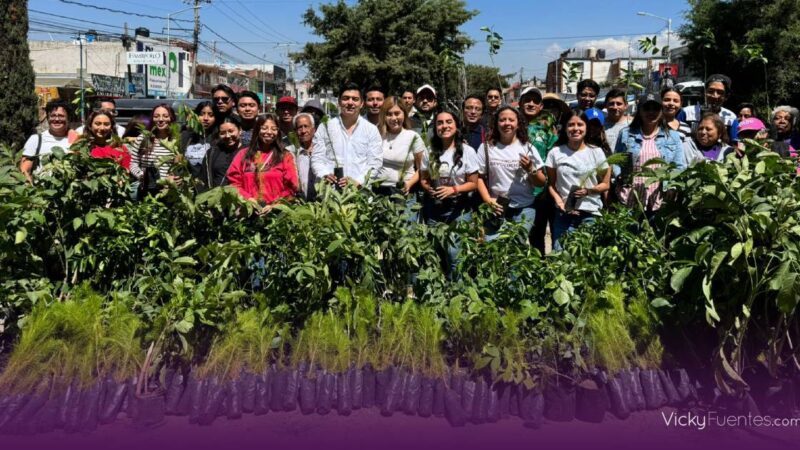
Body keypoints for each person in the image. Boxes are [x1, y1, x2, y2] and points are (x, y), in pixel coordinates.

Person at [419, 110, 480, 278]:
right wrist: (428, 188)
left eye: (448, 122)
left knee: (455, 254)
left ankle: (457, 293)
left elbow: (473, 183)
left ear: (456, 126)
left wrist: (453, 190)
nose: (444, 126)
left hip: (458, 208)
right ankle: (438, 294)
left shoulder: (467, 151)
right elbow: (424, 179)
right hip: (435, 207)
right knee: (434, 252)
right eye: (440, 123)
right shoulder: (429, 152)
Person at [476, 106, 546, 241]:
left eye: (511, 120)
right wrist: (487, 200)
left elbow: (541, 182)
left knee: (514, 248)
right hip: (497, 207)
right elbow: (479, 177)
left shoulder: (527, 147)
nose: (507, 123)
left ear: (518, 124)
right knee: (492, 247)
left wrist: (530, 168)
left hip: (524, 208)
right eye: (502, 120)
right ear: (496, 123)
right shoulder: (486, 147)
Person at [546, 110, 611, 250]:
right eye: (571, 125)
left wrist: (588, 191)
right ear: (565, 128)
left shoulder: (596, 152)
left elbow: (605, 184)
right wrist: (558, 201)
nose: (576, 128)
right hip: (564, 214)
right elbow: (551, 184)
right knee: (561, 257)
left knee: (587, 260)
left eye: (580, 124)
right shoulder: (555, 153)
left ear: (586, 128)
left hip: (590, 214)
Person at [615, 94, 687, 218]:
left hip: (659, 196)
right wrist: (619, 176)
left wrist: (672, 186)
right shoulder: (626, 134)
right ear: (640, 111)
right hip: (630, 195)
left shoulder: (673, 137)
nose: (651, 112)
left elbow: (679, 166)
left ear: (661, 111)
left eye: (655, 109)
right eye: (647, 108)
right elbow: (616, 161)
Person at [311, 82, 382, 188]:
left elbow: (375, 163)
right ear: (339, 102)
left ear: (362, 103)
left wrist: (358, 181)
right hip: (331, 193)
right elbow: (317, 158)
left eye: (355, 99)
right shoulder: (325, 127)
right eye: (346, 98)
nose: (350, 102)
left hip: (360, 194)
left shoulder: (371, 130)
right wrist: (324, 174)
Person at [227, 113, 298, 210]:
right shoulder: (243, 155)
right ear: (257, 130)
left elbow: (291, 186)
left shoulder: (285, 156)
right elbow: (234, 183)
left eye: (274, 129)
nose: (269, 132)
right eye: (264, 128)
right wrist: (248, 199)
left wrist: (274, 205)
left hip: (277, 213)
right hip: (248, 210)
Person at [520, 86, 558, 254]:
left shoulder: (548, 128)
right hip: (517, 188)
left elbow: (554, 157)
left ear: (541, 106)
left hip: (540, 189)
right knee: (517, 234)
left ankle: (538, 269)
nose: (531, 104)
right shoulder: (513, 124)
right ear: (520, 103)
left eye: (535, 101)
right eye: (527, 100)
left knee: (538, 234)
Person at [376, 96, 426, 197]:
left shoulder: (413, 137)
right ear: (384, 116)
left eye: (397, 113)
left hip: (403, 192)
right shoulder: (377, 135)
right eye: (389, 114)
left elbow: (422, 168)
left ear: (404, 114)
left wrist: (409, 183)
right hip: (379, 192)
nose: (394, 118)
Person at [20, 99, 78, 182]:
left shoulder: (76, 139)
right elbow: (24, 170)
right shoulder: (36, 139)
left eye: (61, 116)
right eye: (53, 115)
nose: (57, 119)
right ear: (47, 117)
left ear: (68, 118)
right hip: (42, 192)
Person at [129, 104, 179, 199]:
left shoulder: (177, 140)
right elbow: (133, 163)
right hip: (147, 190)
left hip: (169, 191)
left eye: (165, 116)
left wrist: (174, 178)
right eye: (156, 116)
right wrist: (141, 175)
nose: (160, 119)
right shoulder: (143, 138)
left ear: (172, 118)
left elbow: (181, 166)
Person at [678, 74, 737, 141]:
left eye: (720, 92)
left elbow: (735, 144)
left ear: (726, 96)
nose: (715, 96)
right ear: (704, 93)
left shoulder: (731, 118)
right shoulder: (687, 113)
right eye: (711, 91)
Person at [200, 115, 242, 191]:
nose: (227, 136)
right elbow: (203, 177)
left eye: (231, 131)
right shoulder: (212, 152)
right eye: (222, 133)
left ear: (240, 130)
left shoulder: (248, 152)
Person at [180, 101, 218, 179]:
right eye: (202, 114)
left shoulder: (219, 138)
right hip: (190, 187)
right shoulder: (186, 136)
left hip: (211, 188)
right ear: (195, 116)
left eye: (210, 115)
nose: (206, 118)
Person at [289, 112, 318, 201]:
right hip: (301, 203)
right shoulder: (291, 152)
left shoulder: (324, 150)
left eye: (306, 126)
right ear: (295, 131)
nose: (303, 131)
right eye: (299, 127)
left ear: (314, 129)